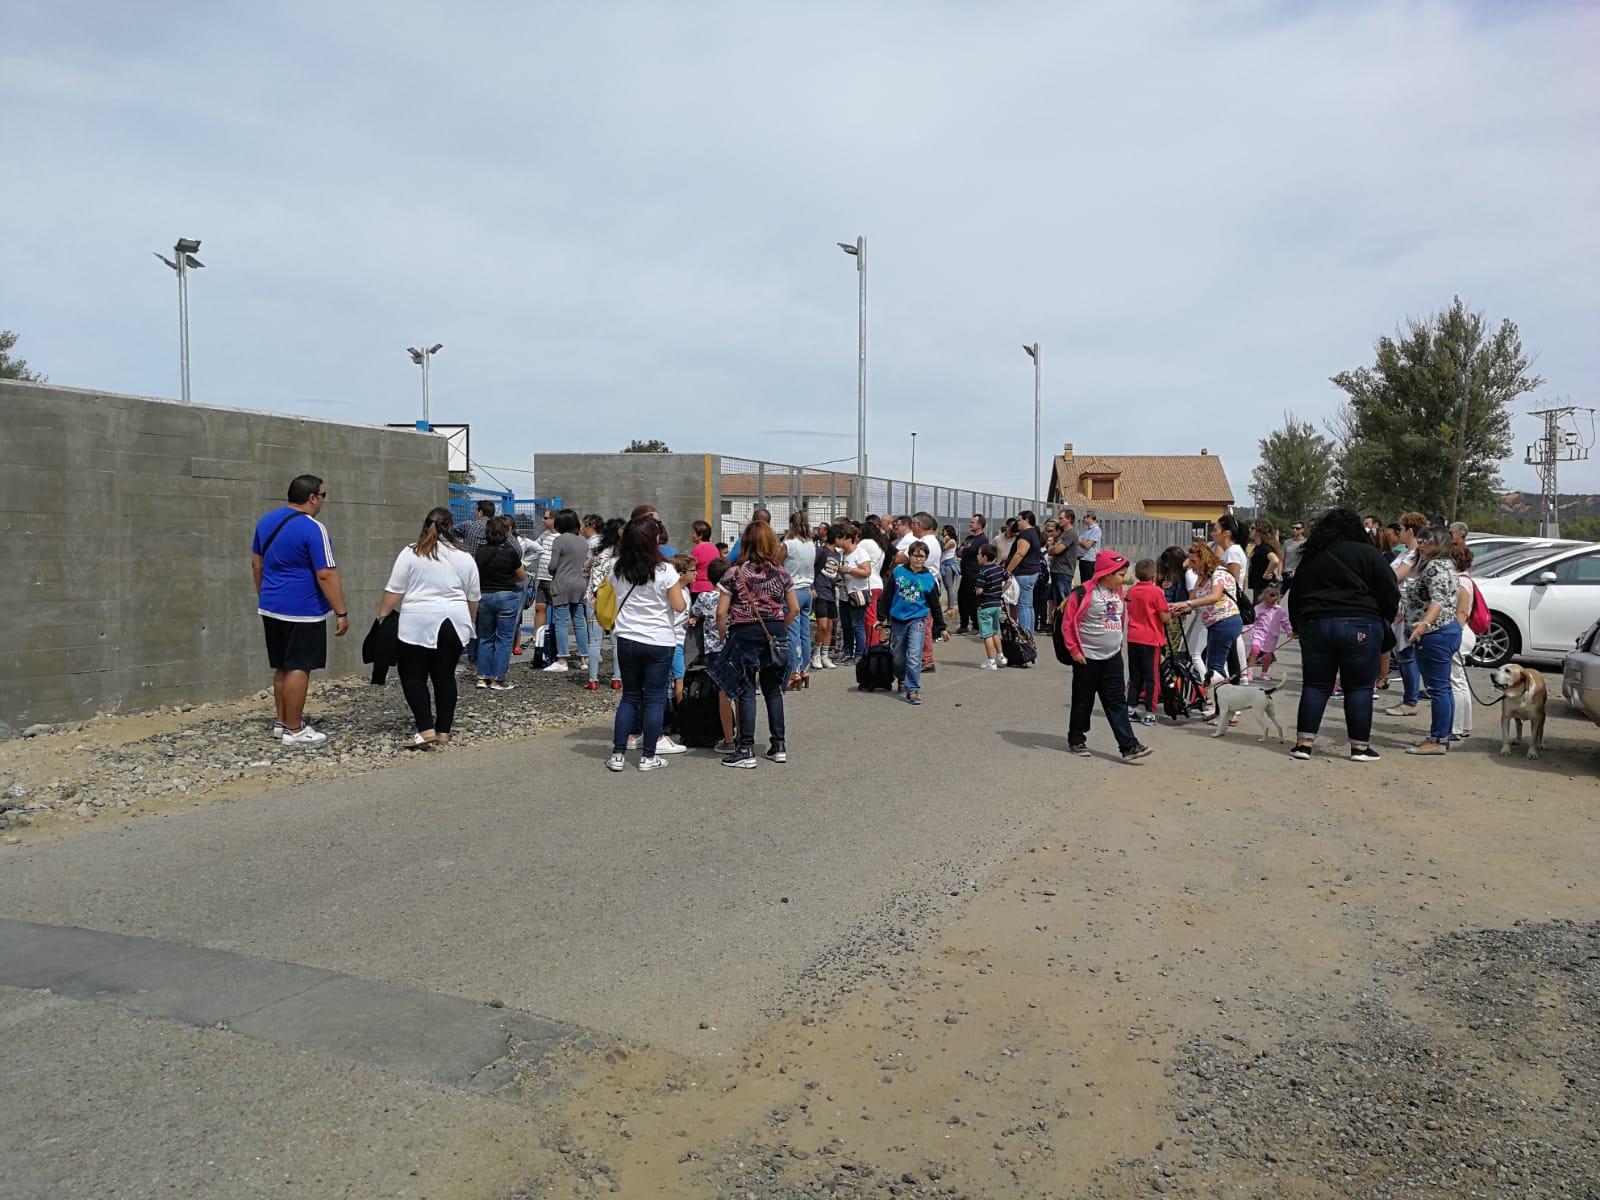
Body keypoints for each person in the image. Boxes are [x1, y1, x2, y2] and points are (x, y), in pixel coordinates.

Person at [1285, 508, 1400, 762]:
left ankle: (1304, 744)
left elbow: (1296, 594)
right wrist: (1385, 619)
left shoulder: (1313, 556)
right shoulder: (1368, 553)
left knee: (1315, 685)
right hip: (1361, 624)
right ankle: (1359, 748)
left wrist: (1297, 625)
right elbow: (1390, 590)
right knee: (1358, 687)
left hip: (1316, 624)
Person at [251, 474, 348, 747]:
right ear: (312, 497)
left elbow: (256, 564)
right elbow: (326, 574)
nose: (324, 501)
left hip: (271, 605)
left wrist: (265, 594)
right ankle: (295, 729)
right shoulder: (313, 528)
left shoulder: (266, 521)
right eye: (324, 495)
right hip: (303, 609)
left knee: (282, 665)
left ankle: (283, 722)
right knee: (299, 666)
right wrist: (341, 611)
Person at [379, 508, 481, 747]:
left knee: (413, 675)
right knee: (445, 676)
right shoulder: (464, 556)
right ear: (452, 526)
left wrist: (382, 616)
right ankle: (444, 731)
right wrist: (471, 622)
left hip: (417, 620)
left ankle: (426, 728)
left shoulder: (411, 553)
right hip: (455, 620)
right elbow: (473, 596)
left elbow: (394, 590)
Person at [606, 516, 688, 773]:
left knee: (629, 696)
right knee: (653, 699)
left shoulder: (616, 566)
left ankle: (618, 754)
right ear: (653, 540)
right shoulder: (665, 571)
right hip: (659, 640)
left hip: (627, 637)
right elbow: (679, 606)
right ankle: (648, 757)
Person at [715, 521, 799, 768]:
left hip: (744, 632)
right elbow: (793, 608)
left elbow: (721, 612)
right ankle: (779, 745)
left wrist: (722, 636)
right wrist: (780, 629)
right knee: (773, 690)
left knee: (746, 690)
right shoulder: (781, 573)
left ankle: (746, 748)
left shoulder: (734, 573)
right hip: (773, 629)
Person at [1061, 553, 1151, 761]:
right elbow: (1068, 623)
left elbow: (1119, 618)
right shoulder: (1083, 593)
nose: (1124, 578)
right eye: (1120, 575)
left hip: (1112, 657)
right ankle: (1076, 739)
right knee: (1083, 701)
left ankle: (1129, 745)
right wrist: (1074, 650)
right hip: (1087, 658)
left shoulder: (1117, 591)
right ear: (1106, 574)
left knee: (1117, 701)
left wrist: (1117, 645)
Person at [1401, 527, 1462, 756]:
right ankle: (1442, 735)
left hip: (1435, 633)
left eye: (1428, 541)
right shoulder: (1442, 565)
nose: (1422, 543)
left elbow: (1437, 600)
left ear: (1441, 545)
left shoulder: (1436, 567)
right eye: (1422, 539)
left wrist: (1424, 623)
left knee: (1438, 688)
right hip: (1443, 630)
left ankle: (1437, 739)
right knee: (1442, 688)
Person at [1170, 543, 1244, 703]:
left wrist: (1188, 604)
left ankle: (1222, 705)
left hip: (1224, 622)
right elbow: (1195, 598)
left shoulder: (1219, 574)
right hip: (1214, 623)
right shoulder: (1204, 576)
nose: (1191, 565)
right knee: (1212, 661)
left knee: (1215, 667)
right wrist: (1180, 607)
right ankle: (1225, 704)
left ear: (1205, 560)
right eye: (1190, 561)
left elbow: (1215, 596)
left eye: (1195, 561)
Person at [878, 541, 944, 704]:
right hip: (898, 620)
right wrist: (881, 617)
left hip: (918, 620)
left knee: (914, 655)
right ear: (910, 555)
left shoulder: (929, 579)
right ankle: (901, 678)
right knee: (898, 658)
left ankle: (913, 689)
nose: (918, 559)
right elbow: (887, 595)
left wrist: (941, 627)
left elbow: (935, 605)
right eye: (915, 555)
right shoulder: (898, 572)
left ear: (926, 558)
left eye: (922, 556)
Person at [690, 556, 738, 752]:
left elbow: (694, 612)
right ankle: (742, 735)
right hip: (735, 647)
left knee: (723, 695)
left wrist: (694, 618)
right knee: (740, 693)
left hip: (715, 650)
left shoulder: (705, 597)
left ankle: (728, 739)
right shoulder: (736, 596)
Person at [472, 516, 526, 690]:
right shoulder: (510, 552)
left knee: (485, 637)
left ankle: (482, 677)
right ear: (506, 532)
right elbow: (522, 576)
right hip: (506, 596)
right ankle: (497, 679)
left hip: (484, 596)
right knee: (504, 639)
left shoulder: (480, 551)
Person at [1383, 512, 1429, 715]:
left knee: (1406, 655)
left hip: (1408, 609)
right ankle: (1409, 698)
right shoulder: (1405, 552)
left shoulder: (1414, 554)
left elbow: (1396, 577)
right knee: (1404, 654)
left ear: (1410, 530)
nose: (1398, 532)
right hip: (1400, 607)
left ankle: (1410, 701)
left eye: (1401, 529)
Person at [543, 510, 592, 673]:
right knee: (579, 621)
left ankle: (562, 659)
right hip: (580, 584)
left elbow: (552, 566)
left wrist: (553, 572)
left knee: (561, 622)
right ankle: (584, 658)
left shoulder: (559, 540)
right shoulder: (584, 542)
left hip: (562, 584)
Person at [1124, 559, 1169, 725]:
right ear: (1154, 575)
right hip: (1151, 638)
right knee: (1152, 677)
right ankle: (1150, 711)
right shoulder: (1157, 592)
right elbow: (1163, 616)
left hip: (1134, 637)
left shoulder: (1132, 591)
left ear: (1135, 575)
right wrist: (1173, 613)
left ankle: (1131, 707)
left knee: (1135, 676)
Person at [583, 517, 624, 691]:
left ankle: (593, 680)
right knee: (616, 642)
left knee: (594, 641)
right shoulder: (623, 556)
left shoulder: (596, 551)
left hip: (593, 599)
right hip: (616, 601)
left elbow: (585, 569)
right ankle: (616, 679)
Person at [782, 511, 816, 690]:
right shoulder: (811, 544)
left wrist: (786, 537)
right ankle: (805, 669)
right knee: (804, 632)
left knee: (792, 633)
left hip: (792, 589)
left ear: (791, 525)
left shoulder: (788, 544)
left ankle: (794, 671)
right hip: (807, 589)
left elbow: (776, 563)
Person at [1448, 541, 1477, 742]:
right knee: (1460, 682)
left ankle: (1456, 728)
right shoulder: (1467, 579)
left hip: (1458, 633)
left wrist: (1452, 635)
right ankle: (1464, 725)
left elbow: (1461, 612)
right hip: (1466, 633)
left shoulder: (1460, 583)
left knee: (1454, 682)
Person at [1005, 510, 1044, 637]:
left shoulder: (1025, 535)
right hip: (1032, 572)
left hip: (1024, 573)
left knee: (1023, 605)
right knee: (1028, 605)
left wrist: (1008, 570)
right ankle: (1029, 632)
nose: (1018, 522)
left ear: (1026, 520)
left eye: (1019, 520)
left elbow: (1020, 553)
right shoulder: (1034, 533)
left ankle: (1026, 634)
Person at [837, 524, 871, 662]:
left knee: (857, 625)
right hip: (844, 595)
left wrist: (850, 570)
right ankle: (848, 652)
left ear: (849, 539)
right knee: (846, 625)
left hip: (857, 594)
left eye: (842, 538)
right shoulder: (840, 554)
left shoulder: (860, 553)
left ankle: (860, 654)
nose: (839, 541)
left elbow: (866, 572)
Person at [973, 543, 1010, 668]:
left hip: (985, 605)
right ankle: (1001, 657)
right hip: (997, 604)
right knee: (995, 632)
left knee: (987, 634)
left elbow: (979, 590)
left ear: (984, 557)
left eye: (979, 555)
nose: (978, 557)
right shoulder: (999, 569)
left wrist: (978, 591)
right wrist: (1001, 591)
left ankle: (991, 661)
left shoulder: (983, 572)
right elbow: (1009, 580)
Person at [811, 525, 843, 670]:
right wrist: (812, 587)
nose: (844, 542)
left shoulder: (837, 555)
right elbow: (812, 568)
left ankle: (825, 655)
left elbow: (833, 572)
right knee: (822, 626)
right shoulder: (821, 551)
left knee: (830, 626)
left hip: (831, 592)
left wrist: (837, 581)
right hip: (820, 591)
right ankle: (816, 654)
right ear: (836, 538)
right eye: (842, 538)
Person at [1245, 587, 1292, 682]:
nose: (1270, 604)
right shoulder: (1258, 608)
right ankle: (1249, 671)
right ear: (1263, 598)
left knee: (1267, 655)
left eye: (1272, 602)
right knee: (1255, 650)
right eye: (1267, 602)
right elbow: (1252, 621)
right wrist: (1244, 629)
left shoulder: (1279, 610)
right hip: (1259, 633)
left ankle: (1264, 672)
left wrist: (1289, 631)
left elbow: (1285, 622)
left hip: (1271, 636)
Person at [956, 515, 989, 635]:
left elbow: (970, 551)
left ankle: (976, 626)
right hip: (965, 574)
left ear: (980, 525)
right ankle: (963, 625)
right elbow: (959, 551)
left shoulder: (982, 539)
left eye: (973, 522)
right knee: (962, 599)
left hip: (974, 574)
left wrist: (964, 550)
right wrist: (963, 550)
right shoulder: (969, 538)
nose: (970, 524)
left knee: (972, 601)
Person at [1047, 509, 1082, 621]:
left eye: (1061, 518)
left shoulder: (1071, 534)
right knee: (1057, 601)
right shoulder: (1062, 534)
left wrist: (1052, 548)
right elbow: (1051, 547)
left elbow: (1056, 550)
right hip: (1056, 570)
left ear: (1069, 519)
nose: (1059, 520)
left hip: (1063, 571)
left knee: (1064, 601)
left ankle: (1067, 623)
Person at [858, 517, 888, 646]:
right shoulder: (879, 545)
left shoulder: (865, 544)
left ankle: (872, 644)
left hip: (868, 584)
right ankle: (873, 642)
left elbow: (855, 555)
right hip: (877, 582)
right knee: (873, 615)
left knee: (870, 617)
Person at [527, 509, 557, 635]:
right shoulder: (544, 534)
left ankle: (556, 640)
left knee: (558, 611)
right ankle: (536, 638)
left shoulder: (561, 537)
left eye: (546, 518)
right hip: (542, 578)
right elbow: (534, 546)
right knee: (540, 607)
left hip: (554, 580)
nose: (543, 520)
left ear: (553, 520)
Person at [1246, 519, 1283, 601]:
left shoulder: (1264, 547)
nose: (1250, 530)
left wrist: (1266, 573)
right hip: (1258, 586)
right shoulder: (1258, 546)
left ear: (1259, 532)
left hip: (1263, 587)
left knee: (1261, 611)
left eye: (1252, 528)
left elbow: (1275, 560)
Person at [690, 521, 719, 597]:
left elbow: (690, 566)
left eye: (693, 533)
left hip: (698, 587)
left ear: (700, 535)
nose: (692, 535)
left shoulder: (697, 549)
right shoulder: (714, 548)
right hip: (711, 586)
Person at [1281, 520, 1307, 591]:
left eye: (1297, 528)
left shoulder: (1307, 543)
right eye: (1293, 528)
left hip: (1298, 575)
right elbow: (1282, 559)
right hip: (1285, 574)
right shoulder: (1287, 542)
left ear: (1302, 530)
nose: (1294, 530)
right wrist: (1279, 574)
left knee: (1296, 599)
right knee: (1275, 598)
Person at [939, 525, 959, 615]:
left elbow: (943, 549)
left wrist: (945, 539)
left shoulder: (951, 541)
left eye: (944, 530)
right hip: (944, 565)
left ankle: (951, 607)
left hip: (948, 565)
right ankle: (949, 607)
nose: (942, 532)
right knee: (947, 587)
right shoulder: (949, 541)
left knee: (949, 587)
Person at [1077, 511, 1102, 583]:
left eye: (1084, 517)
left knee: (1089, 583)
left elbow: (1087, 545)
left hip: (1090, 560)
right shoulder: (1087, 530)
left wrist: (1080, 541)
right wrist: (1082, 541)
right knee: (1084, 583)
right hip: (1083, 559)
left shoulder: (1096, 530)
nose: (1083, 519)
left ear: (1090, 517)